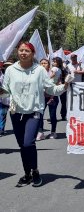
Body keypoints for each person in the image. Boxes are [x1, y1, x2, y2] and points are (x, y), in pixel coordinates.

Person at [2, 42, 72, 187]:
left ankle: (35, 171)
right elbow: (5, 91)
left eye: (26, 50)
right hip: (16, 113)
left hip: (34, 112)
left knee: (28, 142)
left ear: (32, 53)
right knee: (22, 145)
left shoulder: (40, 70)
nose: (23, 53)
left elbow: (51, 89)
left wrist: (64, 86)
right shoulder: (10, 70)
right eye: (21, 50)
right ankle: (27, 174)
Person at [36, 58, 61, 140]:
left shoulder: (53, 72)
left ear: (49, 64)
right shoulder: (37, 73)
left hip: (52, 97)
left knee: (52, 115)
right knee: (40, 115)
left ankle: (53, 132)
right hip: (41, 98)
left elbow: (58, 83)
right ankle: (40, 132)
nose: (43, 64)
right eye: (41, 63)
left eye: (45, 63)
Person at [0, 61, 13, 135]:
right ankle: (1, 129)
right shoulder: (1, 75)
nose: (7, 67)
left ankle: (18, 128)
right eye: (6, 66)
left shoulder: (14, 75)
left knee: (14, 116)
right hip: (3, 99)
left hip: (12, 100)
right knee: (2, 115)